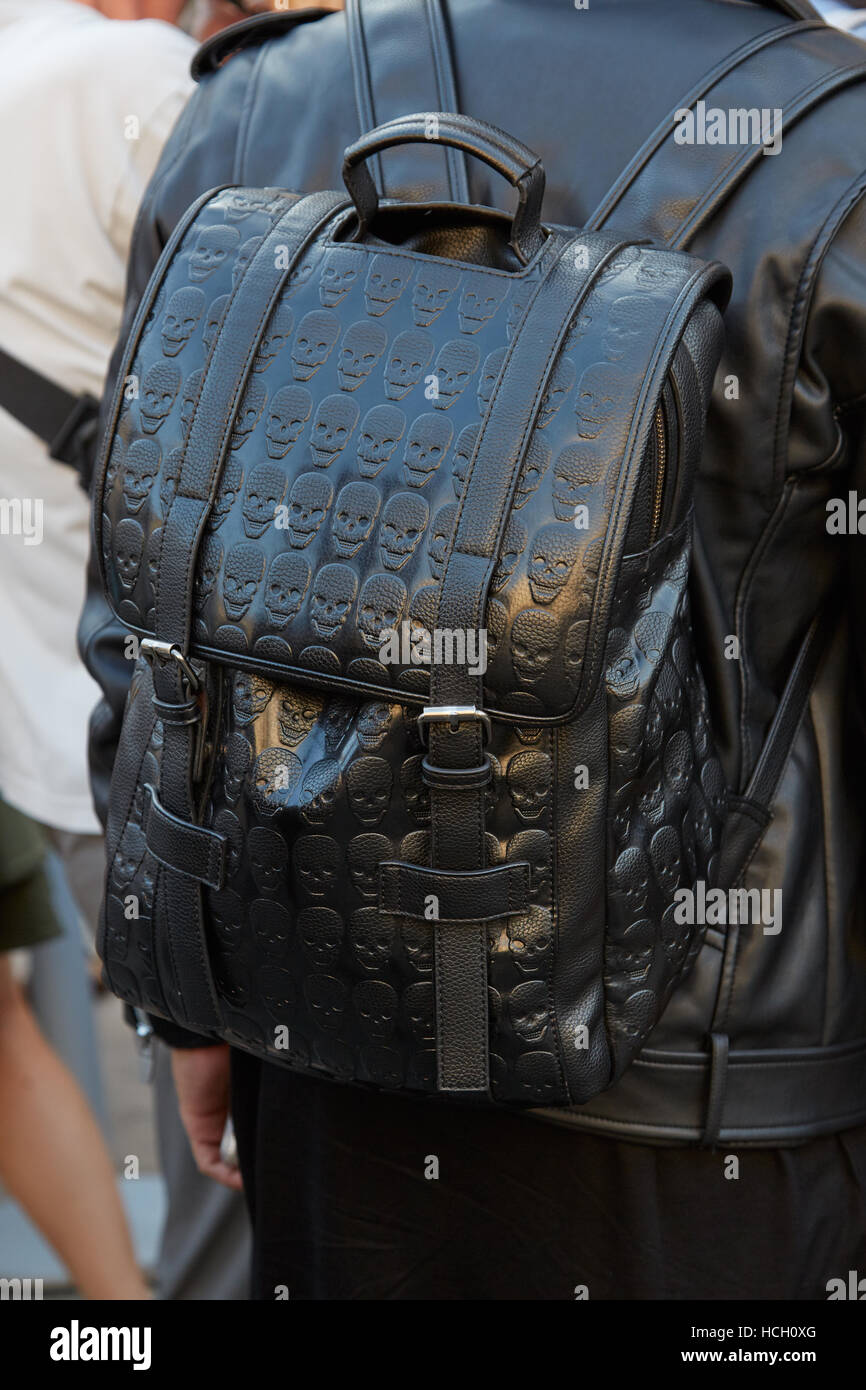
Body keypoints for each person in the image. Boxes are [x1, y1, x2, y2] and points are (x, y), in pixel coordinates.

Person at [82, 0, 866, 1299]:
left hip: (322, 1035)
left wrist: (188, 1005)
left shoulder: (255, 100)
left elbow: (146, 592)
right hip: (714, 1114)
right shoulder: (838, 148)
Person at [0, 0, 251, 1299]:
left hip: (50, 716)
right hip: (185, 721)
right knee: (247, 1146)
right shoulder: (144, 77)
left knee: (188, 1100)